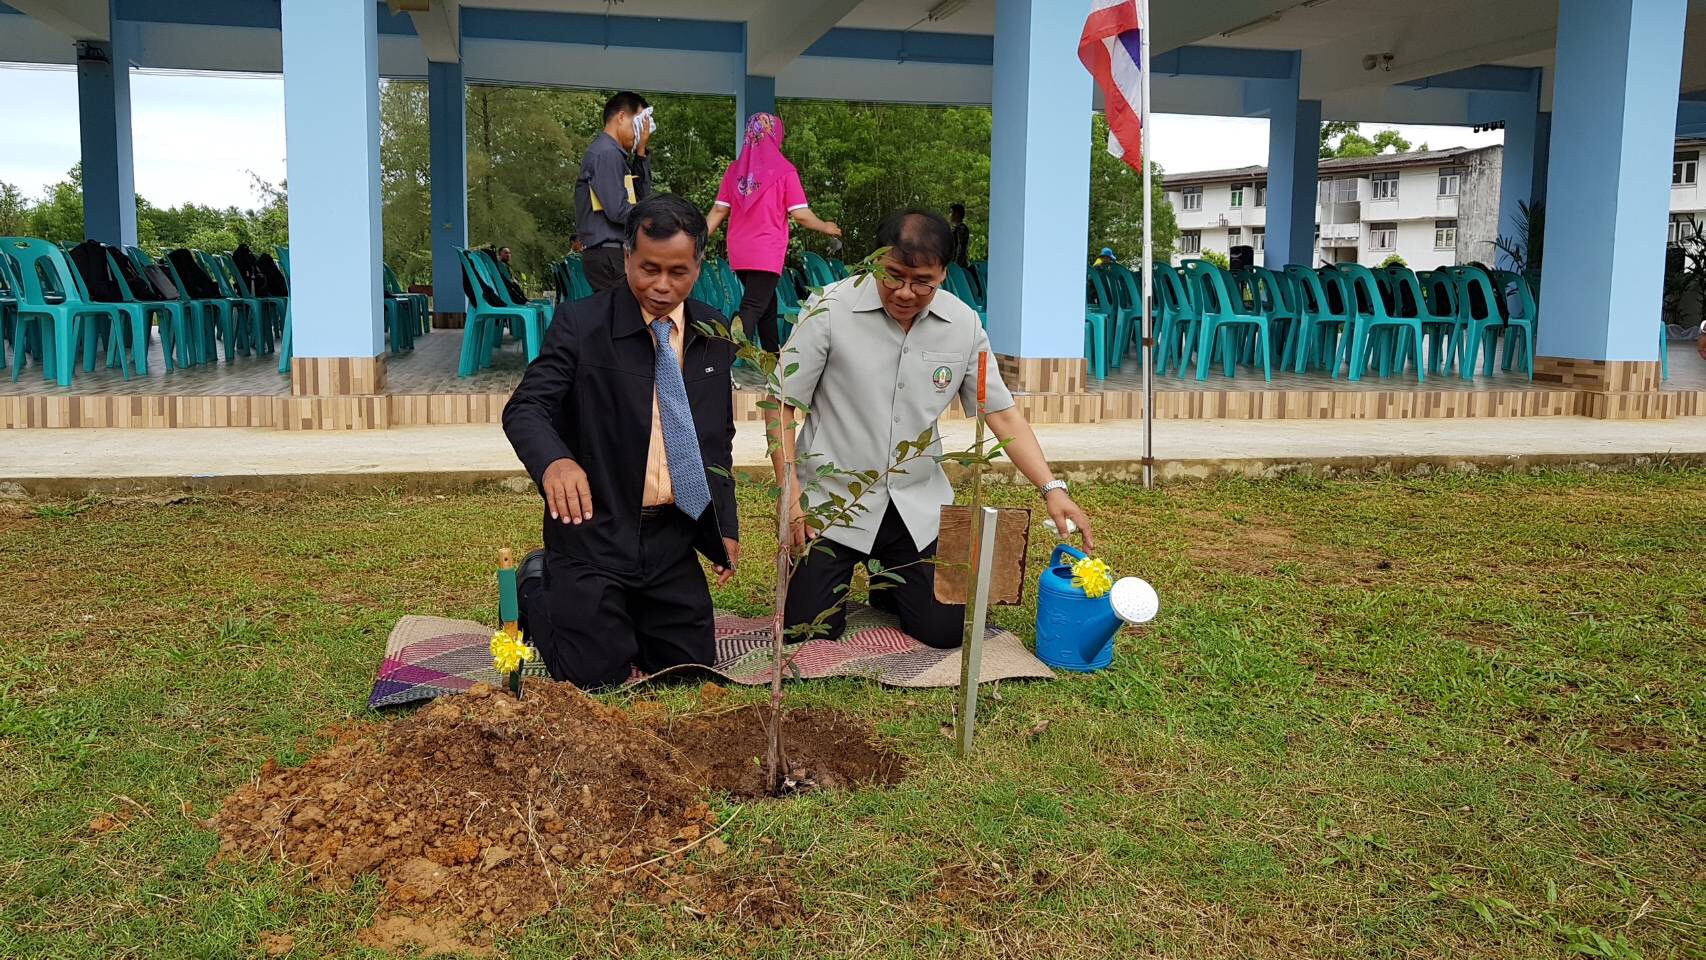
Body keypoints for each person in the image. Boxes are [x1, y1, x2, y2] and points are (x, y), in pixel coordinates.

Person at [773, 209, 1094, 648]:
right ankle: (846, 573)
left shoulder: (963, 325)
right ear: (875, 260)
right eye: (893, 276)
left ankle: (889, 582)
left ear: (944, 273)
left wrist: (1052, 488)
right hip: (832, 504)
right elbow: (782, 406)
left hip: (915, 507)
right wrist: (791, 496)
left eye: (923, 281)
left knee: (943, 633)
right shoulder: (828, 308)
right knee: (806, 632)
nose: (905, 292)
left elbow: (1001, 414)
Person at [503, 194, 740, 689]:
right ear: (628, 256)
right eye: (649, 268)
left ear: (698, 266)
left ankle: (625, 612)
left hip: (670, 538)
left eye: (678, 272)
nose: (662, 285)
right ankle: (535, 585)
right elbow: (526, 407)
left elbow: (717, 438)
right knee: (594, 676)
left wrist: (726, 525)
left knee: (687, 672)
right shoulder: (580, 323)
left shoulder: (713, 330)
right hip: (594, 532)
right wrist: (555, 462)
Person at [704, 112, 840, 353]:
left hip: (740, 252)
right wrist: (825, 226)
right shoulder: (784, 171)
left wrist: (696, 239)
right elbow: (801, 214)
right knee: (753, 307)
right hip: (766, 252)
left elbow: (718, 210)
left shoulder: (734, 171)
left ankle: (773, 362)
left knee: (767, 306)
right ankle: (721, 361)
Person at [575, 91, 654, 293]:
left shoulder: (613, 154)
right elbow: (618, 210)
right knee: (622, 311)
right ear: (621, 117)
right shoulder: (607, 153)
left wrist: (641, 152)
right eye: (639, 123)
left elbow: (640, 198)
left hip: (611, 253)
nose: (641, 132)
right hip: (608, 254)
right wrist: (654, 219)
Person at [948, 203, 971, 270]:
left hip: (959, 267)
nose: (950, 215)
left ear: (956, 214)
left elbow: (961, 248)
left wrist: (956, 266)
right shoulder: (957, 228)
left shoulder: (961, 228)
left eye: (951, 212)